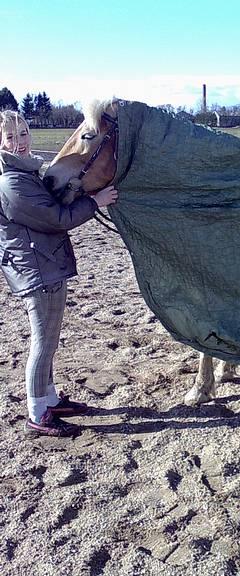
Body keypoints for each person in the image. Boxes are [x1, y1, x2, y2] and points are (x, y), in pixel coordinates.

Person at [0, 110, 118, 437]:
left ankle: (49, 399)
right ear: (1, 142)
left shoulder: (26, 173)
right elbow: (57, 219)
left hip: (46, 265)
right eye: (11, 137)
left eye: (23, 133)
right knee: (42, 343)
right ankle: (38, 413)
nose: (19, 141)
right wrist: (96, 200)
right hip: (39, 272)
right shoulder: (12, 183)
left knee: (49, 341)